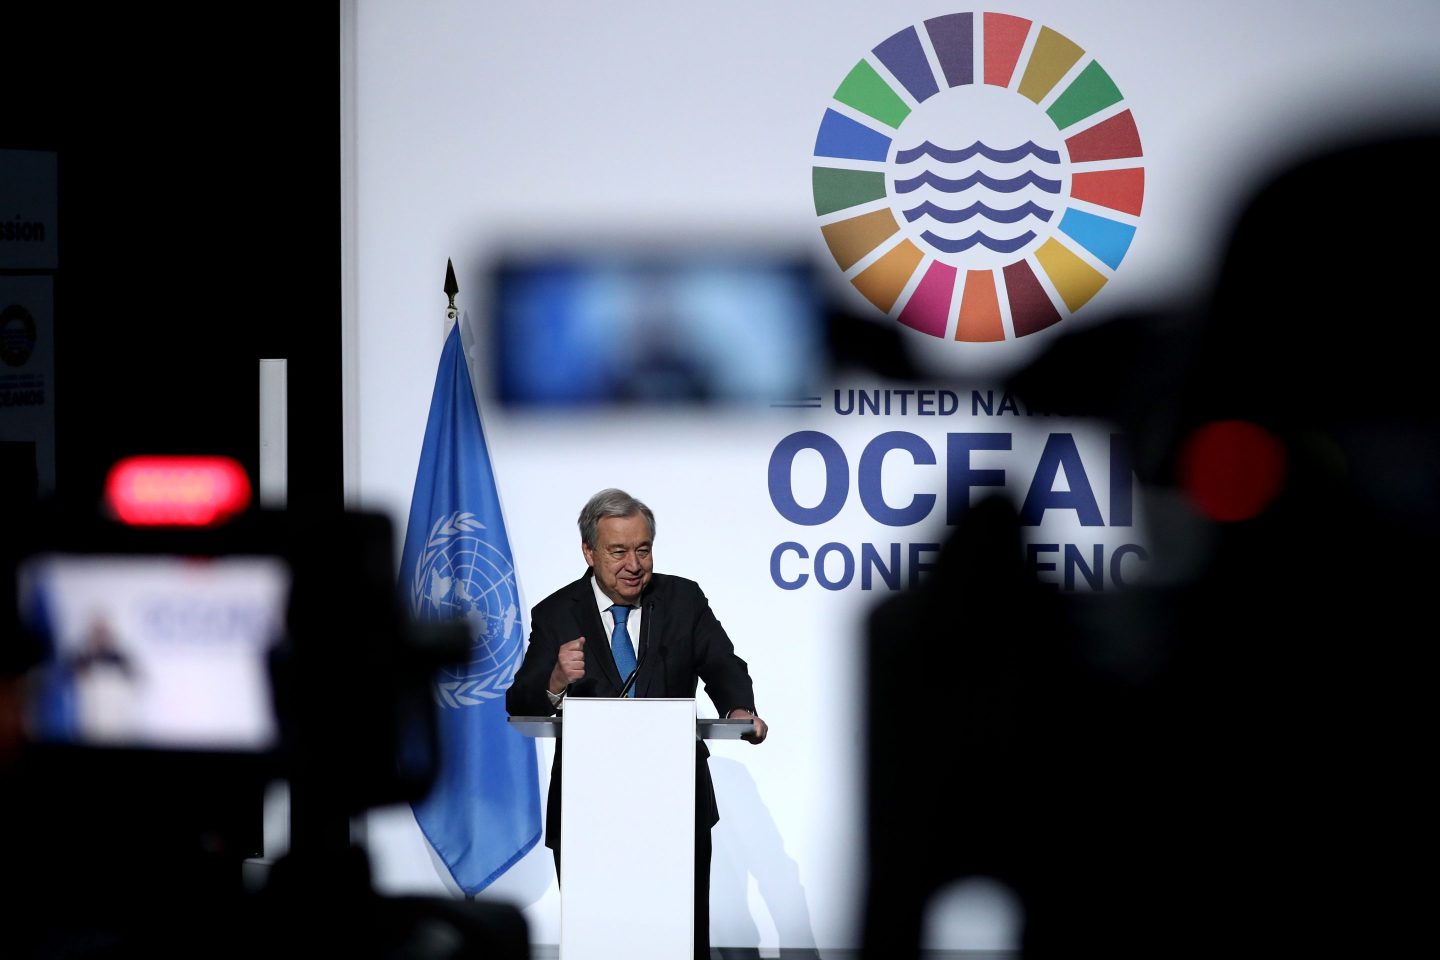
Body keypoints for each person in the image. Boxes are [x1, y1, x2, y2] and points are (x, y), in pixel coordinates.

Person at [506, 487, 767, 959]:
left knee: (682, 940)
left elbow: (725, 665)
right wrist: (556, 678)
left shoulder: (683, 599)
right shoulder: (556, 612)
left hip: (676, 804)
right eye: (618, 551)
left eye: (642, 549)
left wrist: (737, 708)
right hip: (588, 810)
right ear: (589, 551)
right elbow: (521, 697)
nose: (634, 564)